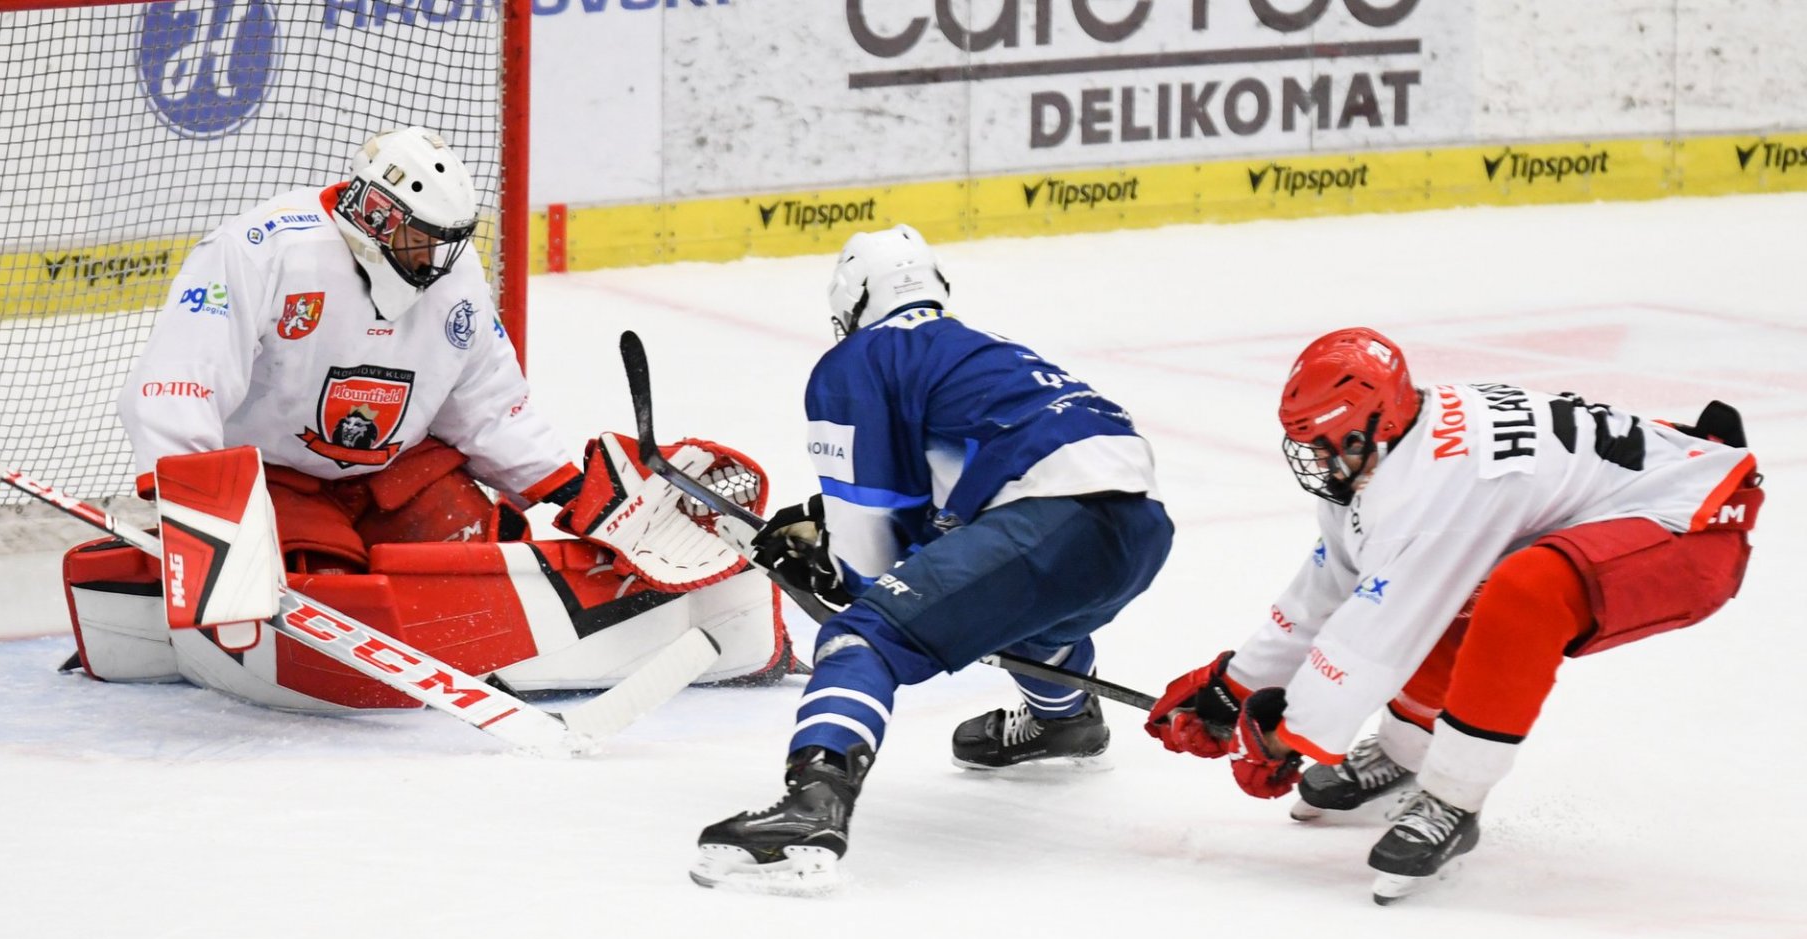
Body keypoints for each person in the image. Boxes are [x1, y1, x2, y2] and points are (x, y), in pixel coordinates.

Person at [67, 126, 796, 705]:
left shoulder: (454, 274)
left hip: (396, 473)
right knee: (323, 589)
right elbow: (178, 380)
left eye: (449, 240)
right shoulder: (263, 251)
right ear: (376, 216)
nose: (440, 257)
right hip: (277, 479)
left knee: (483, 557)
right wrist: (202, 508)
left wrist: (567, 488)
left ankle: (503, 644)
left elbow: (487, 402)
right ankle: (148, 585)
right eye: (424, 237)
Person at [1148, 327, 1761, 903]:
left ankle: (1453, 799)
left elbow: (1372, 641)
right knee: (1459, 583)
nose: (1320, 461)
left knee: (1525, 591)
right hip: (1626, 501)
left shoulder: (1436, 489)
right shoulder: (1387, 455)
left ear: (1378, 424)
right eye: (1311, 446)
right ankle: (1404, 752)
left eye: (1333, 445)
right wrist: (1231, 688)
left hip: (1696, 526)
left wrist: (1283, 738)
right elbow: (1326, 588)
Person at [694, 224, 1174, 892]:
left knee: (864, 637)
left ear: (853, 299)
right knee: (1018, 613)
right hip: (1139, 528)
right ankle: (1064, 720)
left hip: (1048, 521)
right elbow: (957, 490)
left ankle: (813, 804)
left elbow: (872, 540)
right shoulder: (983, 347)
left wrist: (843, 574)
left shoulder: (860, 357)